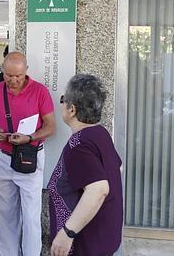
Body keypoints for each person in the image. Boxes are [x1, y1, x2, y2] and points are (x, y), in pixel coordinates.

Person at [0, 51, 56, 256]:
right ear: (2, 72)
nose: (13, 80)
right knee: (4, 215)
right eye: (8, 75)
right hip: (2, 158)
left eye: (18, 76)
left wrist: (29, 138)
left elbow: (51, 127)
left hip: (29, 157)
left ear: (26, 72)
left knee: (31, 216)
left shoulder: (40, 91)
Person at [48, 74, 123, 256]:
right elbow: (117, 168)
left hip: (85, 243)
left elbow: (98, 189)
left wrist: (67, 233)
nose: (61, 104)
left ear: (71, 109)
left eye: (63, 99)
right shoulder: (100, 133)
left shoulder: (79, 145)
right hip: (103, 235)